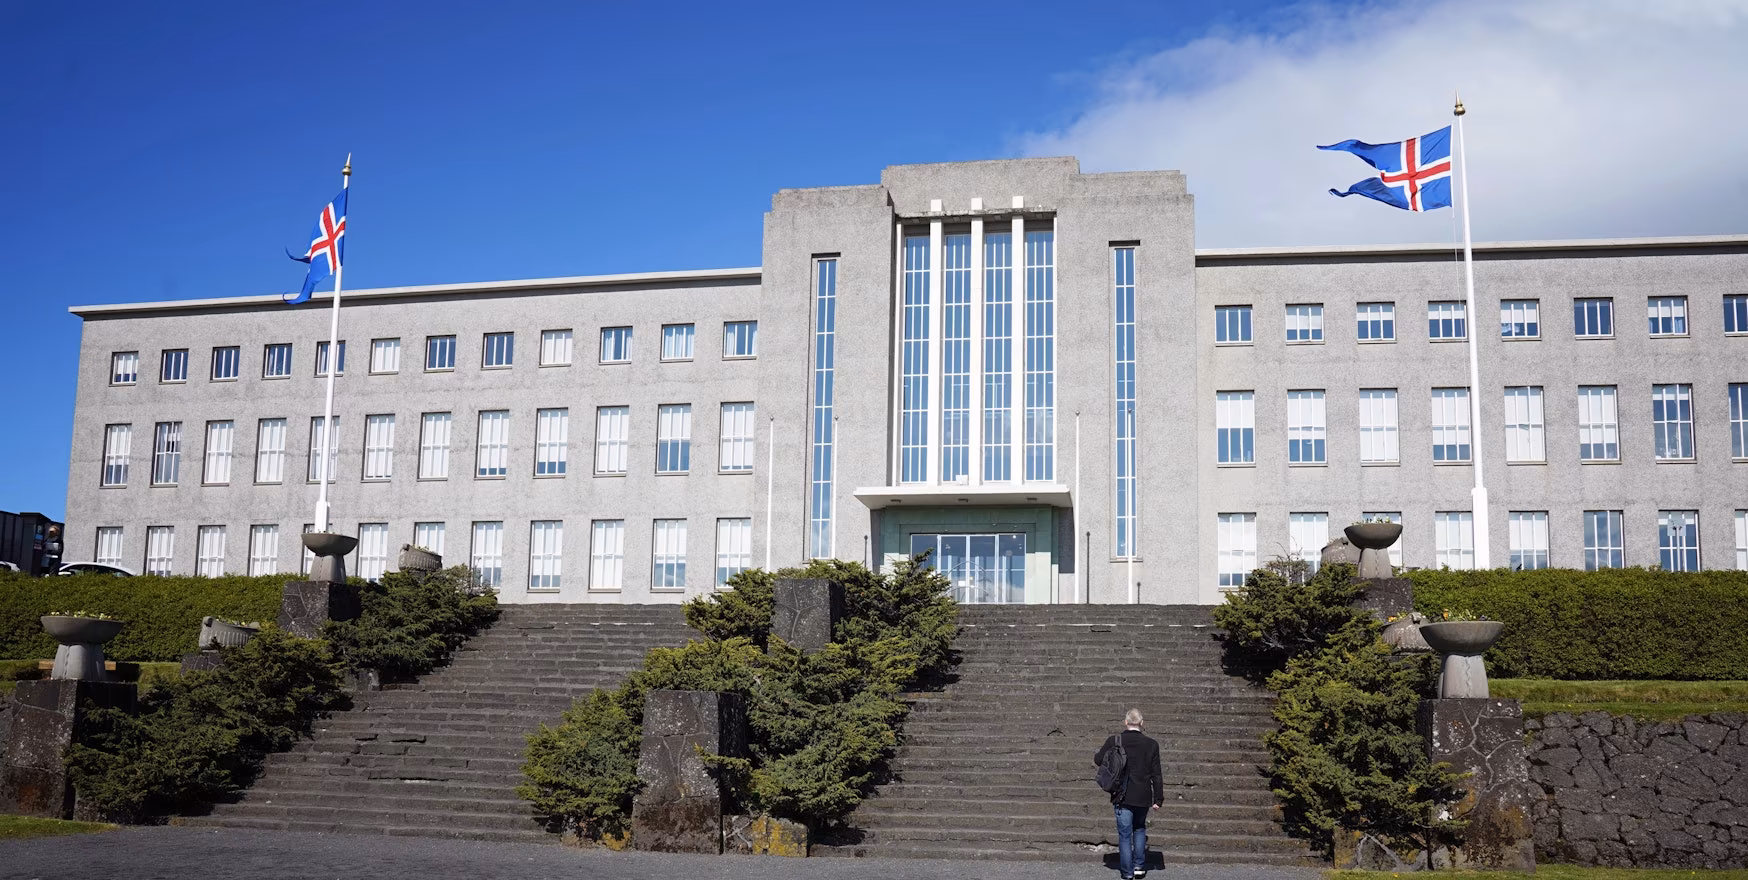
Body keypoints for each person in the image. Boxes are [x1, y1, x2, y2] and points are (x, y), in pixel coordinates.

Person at [1094, 707, 1163, 880]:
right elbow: (1156, 774)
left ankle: (1127, 873)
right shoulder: (1152, 744)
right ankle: (1139, 866)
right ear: (1141, 723)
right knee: (1139, 828)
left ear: (1125, 722)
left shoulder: (1114, 740)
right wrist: (1158, 798)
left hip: (1122, 794)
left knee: (1124, 835)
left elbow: (1098, 759)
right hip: (1143, 795)